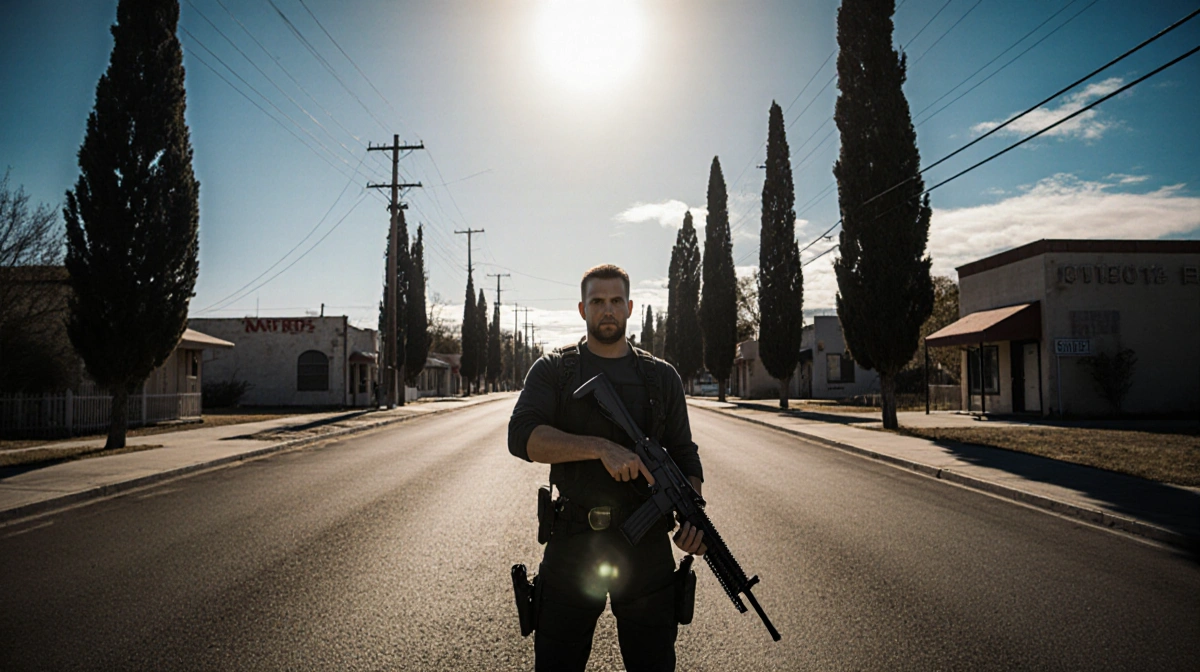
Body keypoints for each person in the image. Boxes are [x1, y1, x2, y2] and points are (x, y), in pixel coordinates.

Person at [508, 263, 707, 672]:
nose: (608, 309)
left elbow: (685, 453)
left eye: (616, 300)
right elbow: (521, 437)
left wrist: (693, 513)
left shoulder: (661, 377)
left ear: (630, 307)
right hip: (573, 542)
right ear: (582, 309)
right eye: (597, 301)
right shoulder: (555, 371)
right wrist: (600, 448)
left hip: (647, 547)